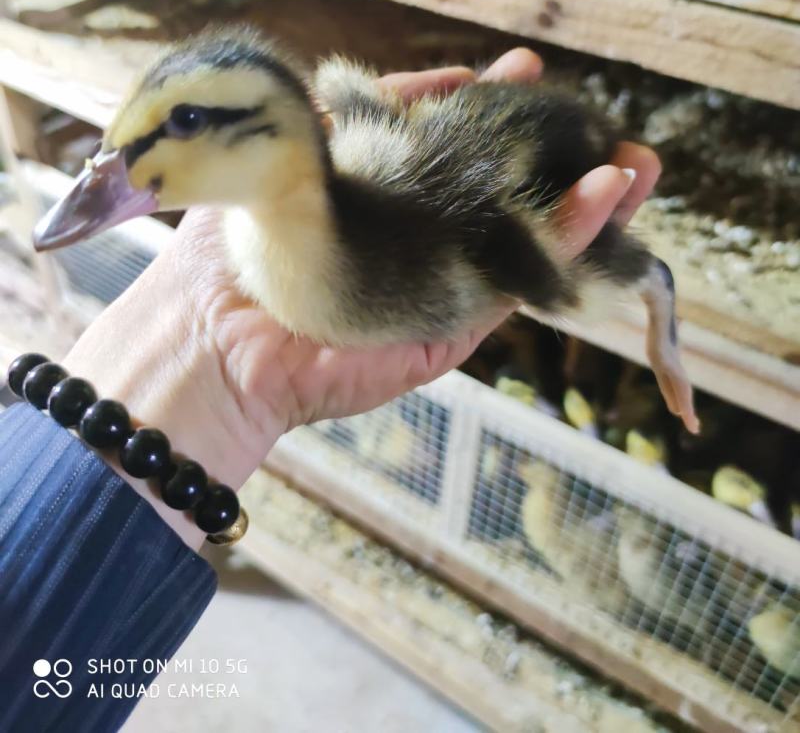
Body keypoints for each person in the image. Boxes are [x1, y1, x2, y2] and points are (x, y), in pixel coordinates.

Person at [0, 50, 660, 732]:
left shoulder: (386, 226)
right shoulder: (303, 218)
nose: (102, 180)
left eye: (186, 120)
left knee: (548, 255)